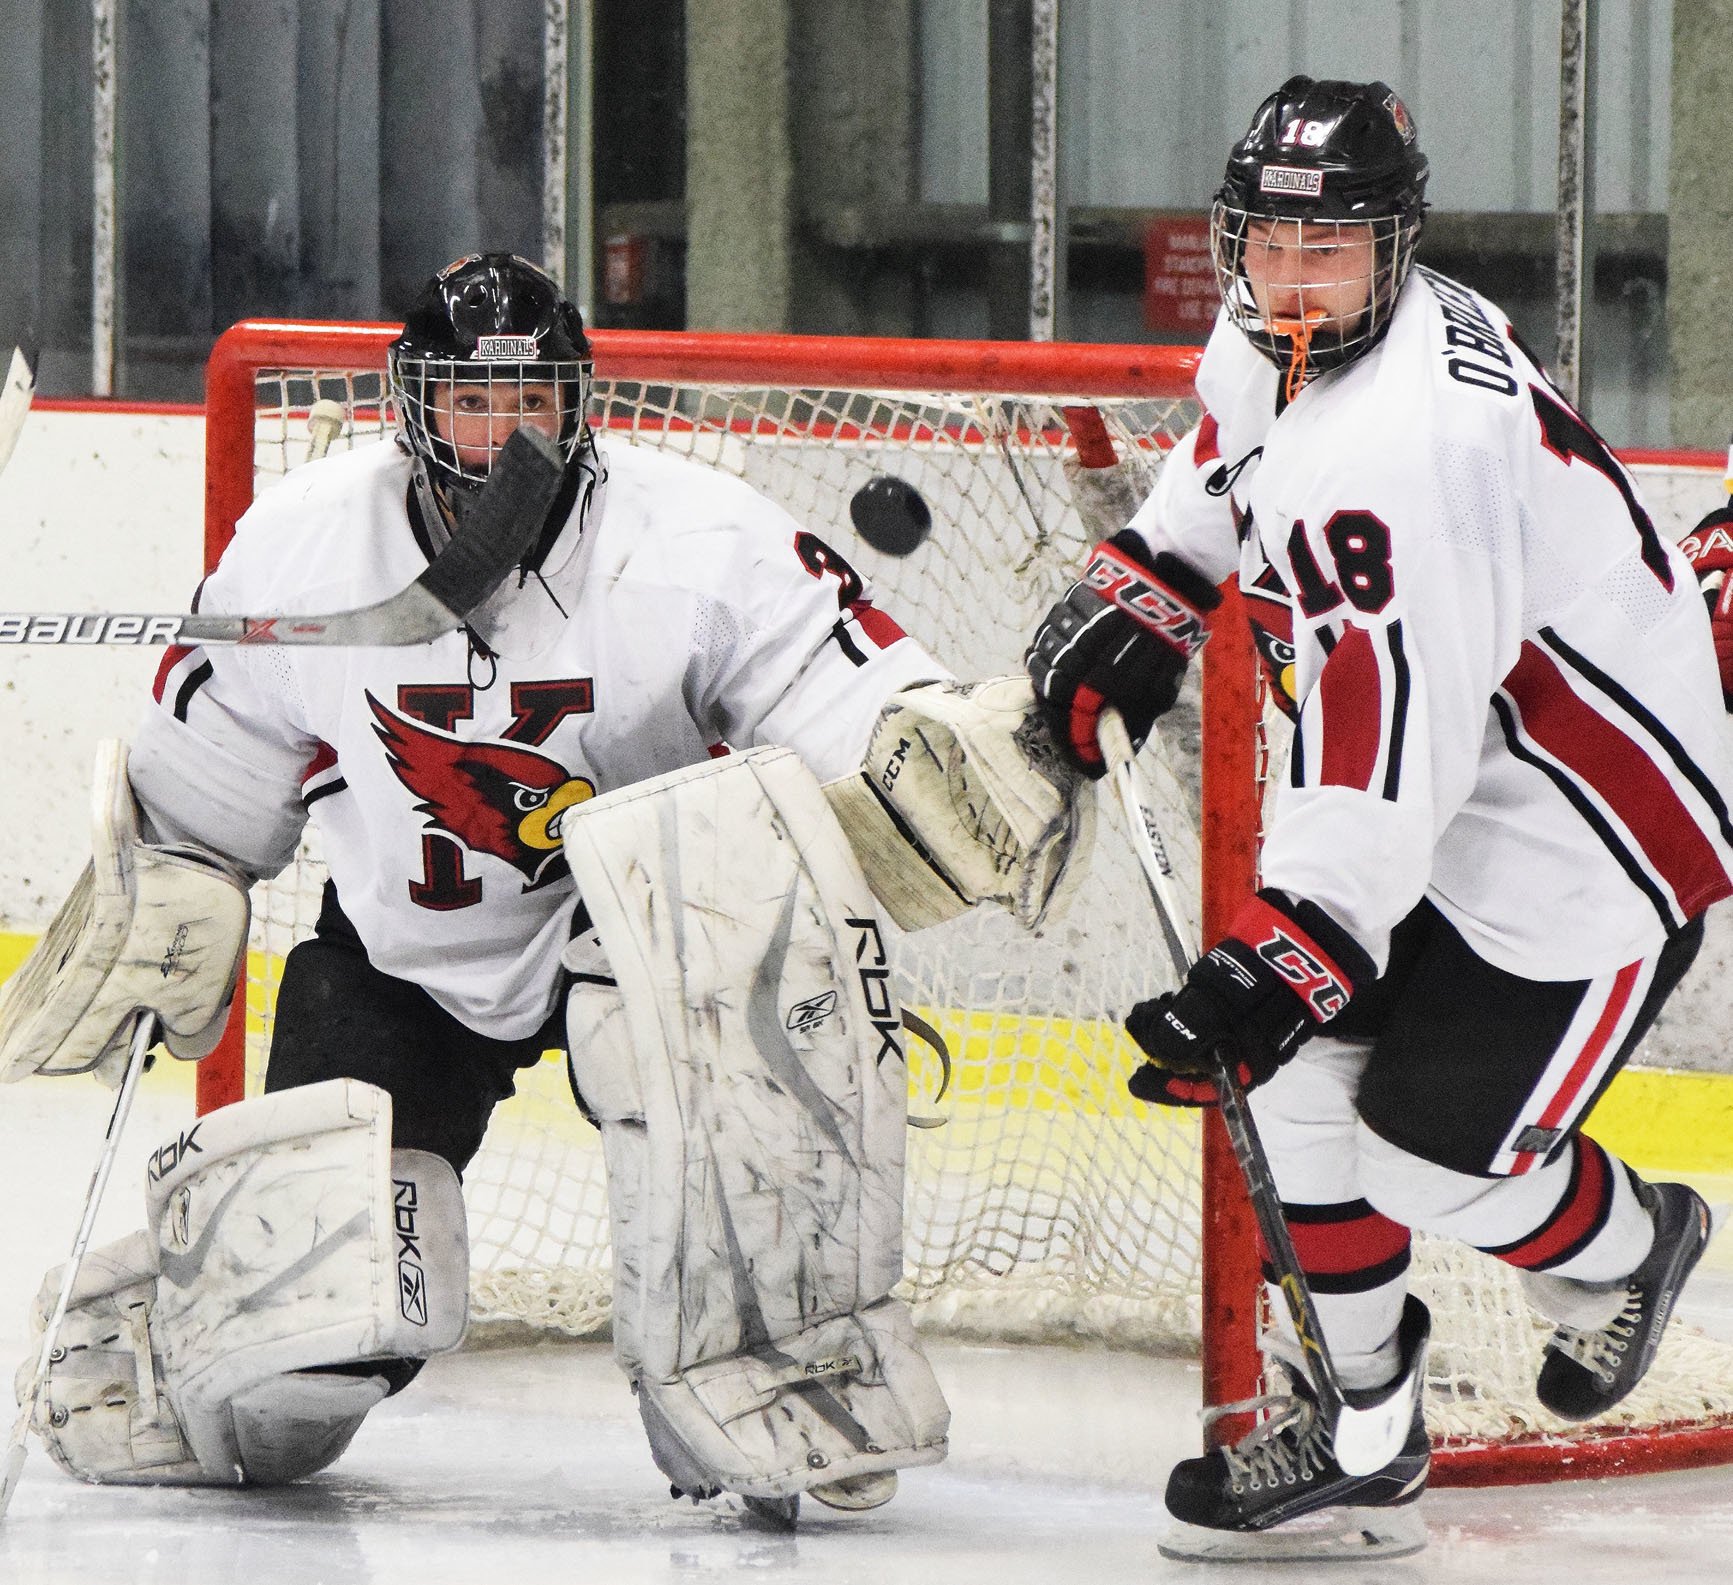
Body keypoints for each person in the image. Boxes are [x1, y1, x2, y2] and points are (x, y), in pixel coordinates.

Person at [7, 252, 1088, 1516]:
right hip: (403, 951)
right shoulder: (300, 548)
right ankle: (190, 1332)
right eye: (472, 402)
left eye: (533, 404)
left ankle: (781, 1351)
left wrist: (939, 752)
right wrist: (169, 881)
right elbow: (206, 791)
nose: (505, 434)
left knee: (718, 991)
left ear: (581, 404)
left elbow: (851, 711)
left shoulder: (699, 533)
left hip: (644, 943)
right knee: (308, 1359)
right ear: (412, 406)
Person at [1028, 78, 1728, 1549]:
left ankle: (1632, 1242)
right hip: (1453, 765)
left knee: (1429, 1165)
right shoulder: (1287, 321)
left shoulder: (1405, 454)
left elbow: (1386, 741)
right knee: (1293, 1099)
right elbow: (1232, 446)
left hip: (1587, 826)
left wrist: (1296, 940)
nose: (1288, 282)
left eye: (1327, 249)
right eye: (1266, 244)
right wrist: (1154, 581)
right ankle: (1366, 1423)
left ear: (1396, 247)